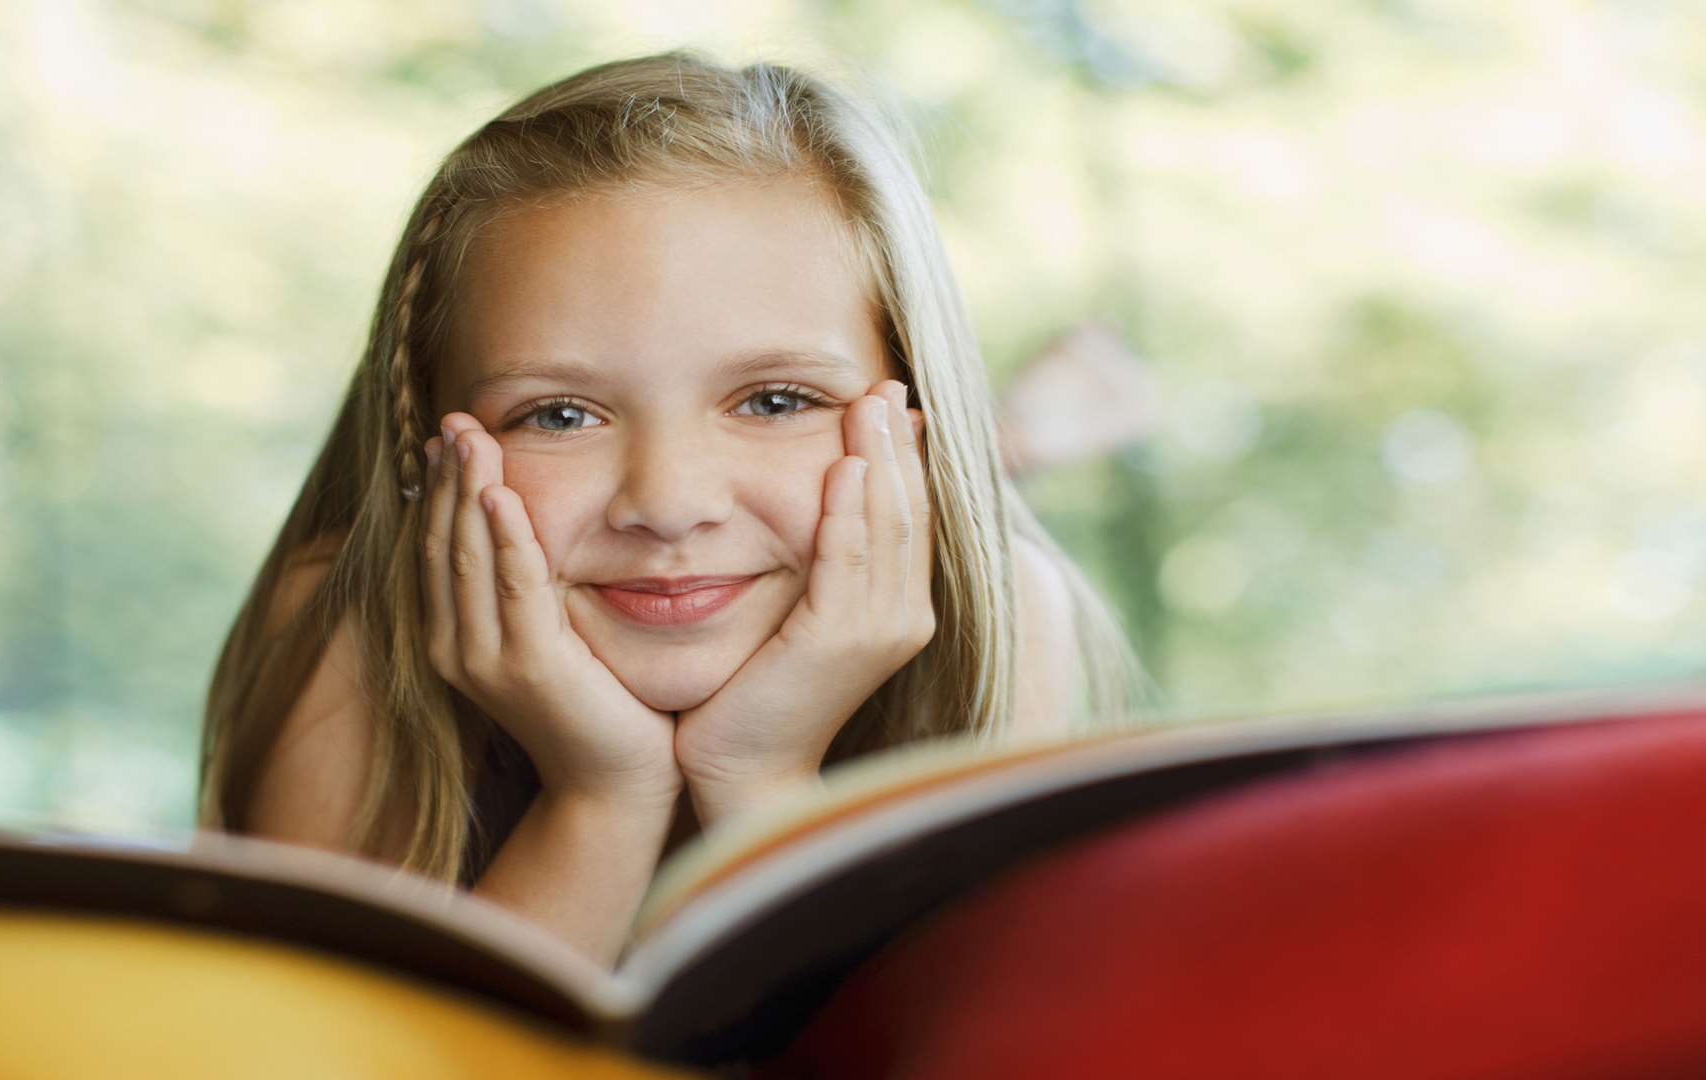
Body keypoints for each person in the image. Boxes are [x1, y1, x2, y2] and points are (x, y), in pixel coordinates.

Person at [196, 50, 1136, 966]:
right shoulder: (351, 623)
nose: (669, 505)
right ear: (424, 448)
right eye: (558, 415)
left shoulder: (1006, 612)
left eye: (775, 401)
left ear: (913, 409)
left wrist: (760, 778)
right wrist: (599, 799)